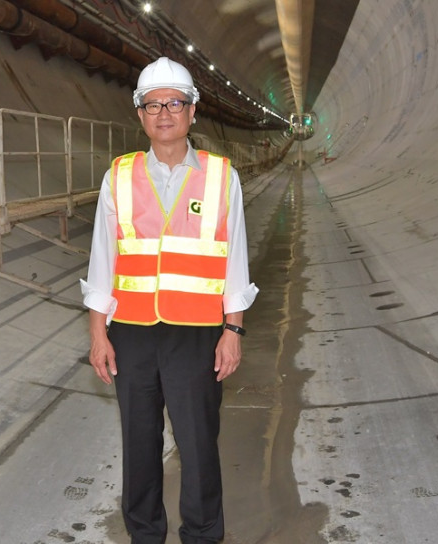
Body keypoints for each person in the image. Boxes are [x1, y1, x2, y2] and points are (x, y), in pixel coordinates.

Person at [80, 57, 258, 544]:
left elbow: (235, 263)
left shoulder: (223, 177)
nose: (164, 113)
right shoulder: (118, 177)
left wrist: (233, 330)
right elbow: (103, 261)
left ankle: (202, 535)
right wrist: (98, 334)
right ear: (139, 114)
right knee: (138, 445)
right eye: (153, 104)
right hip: (132, 334)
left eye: (174, 103)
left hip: (197, 334)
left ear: (192, 111)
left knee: (199, 444)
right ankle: (144, 535)